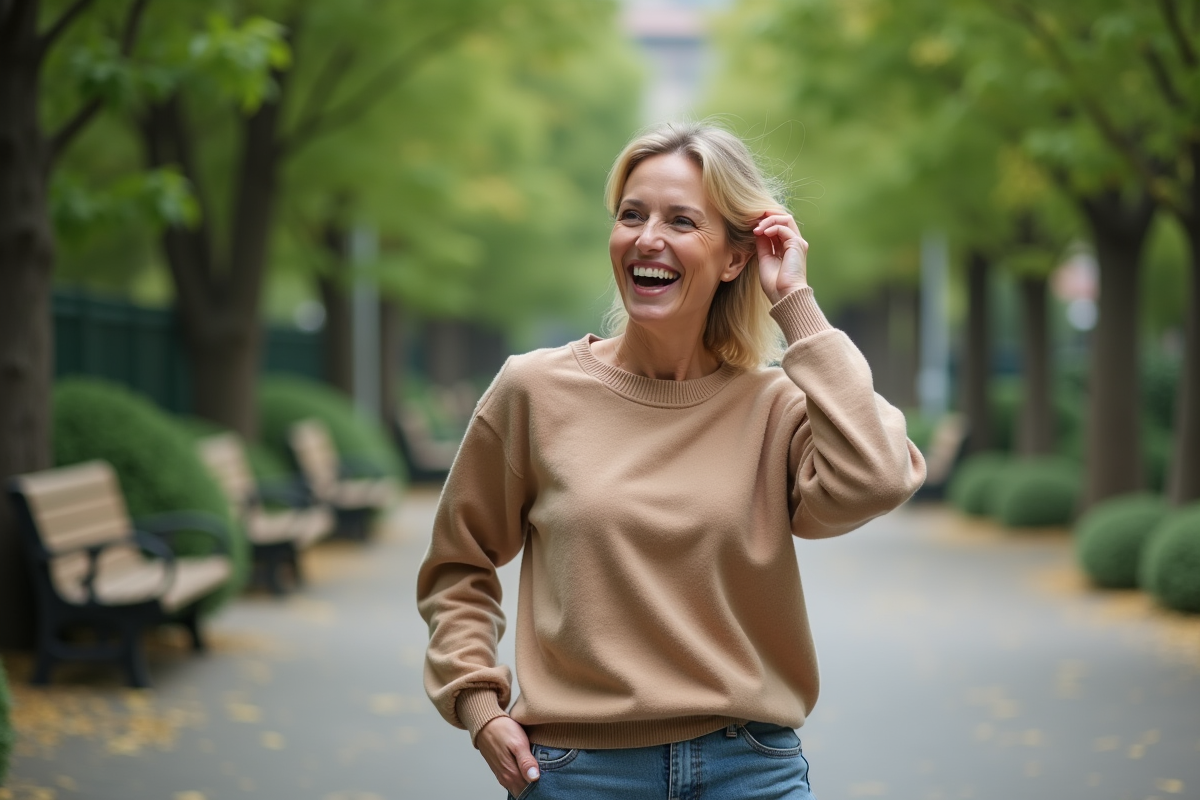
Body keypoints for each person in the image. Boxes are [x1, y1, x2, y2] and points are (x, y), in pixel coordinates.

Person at [416, 121, 926, 799]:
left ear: (734, 257)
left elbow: (880, 475)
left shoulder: (774, 407)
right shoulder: (534, 391)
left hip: (750, 768)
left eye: (681, 221)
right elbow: (459, 563)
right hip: (578, 774)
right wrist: (477, 706)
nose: (647, 237)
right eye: (632, 215)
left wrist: (796, 306)